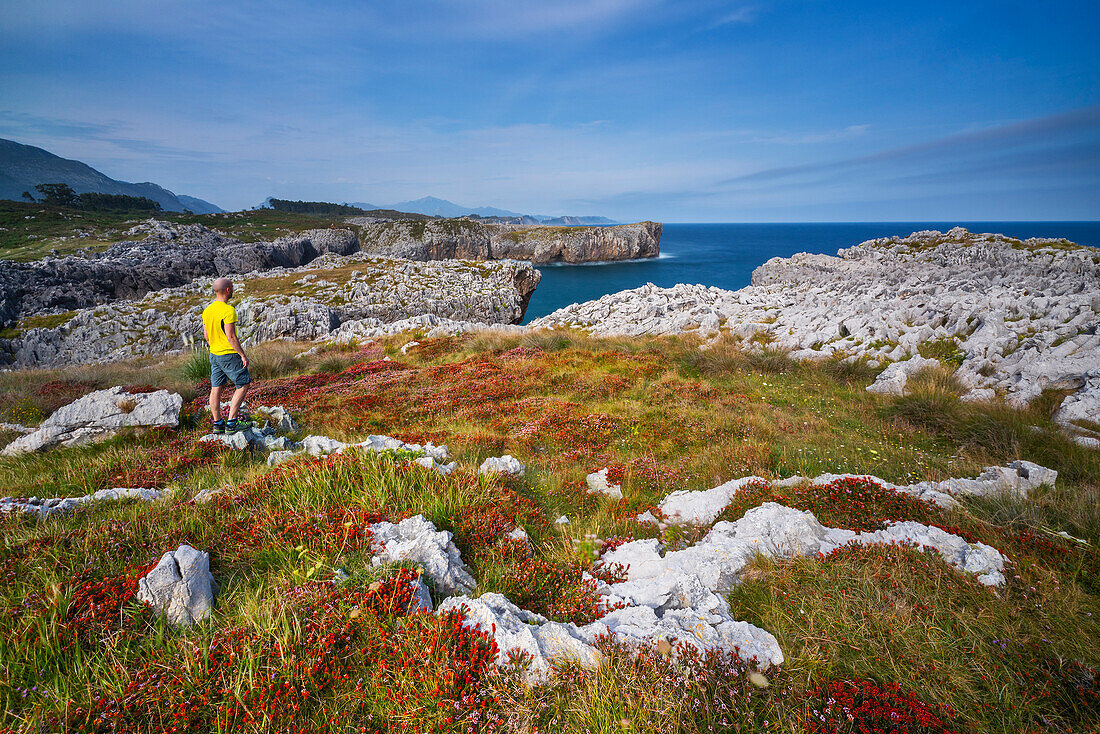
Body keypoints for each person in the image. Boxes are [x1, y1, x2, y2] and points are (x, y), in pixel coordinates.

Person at [202, 278, 254, 434]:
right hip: (229, 354)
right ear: (227, 290)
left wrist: (215, 347)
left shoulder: (207, 310)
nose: (233, 289)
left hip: (214, 354)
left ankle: (218, 423)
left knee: (216, 388)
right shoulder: (228, 310)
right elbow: (231, 337)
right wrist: (242, 355)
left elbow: (206, 336)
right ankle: (231, 422)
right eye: (231, 287)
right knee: (243, 384)